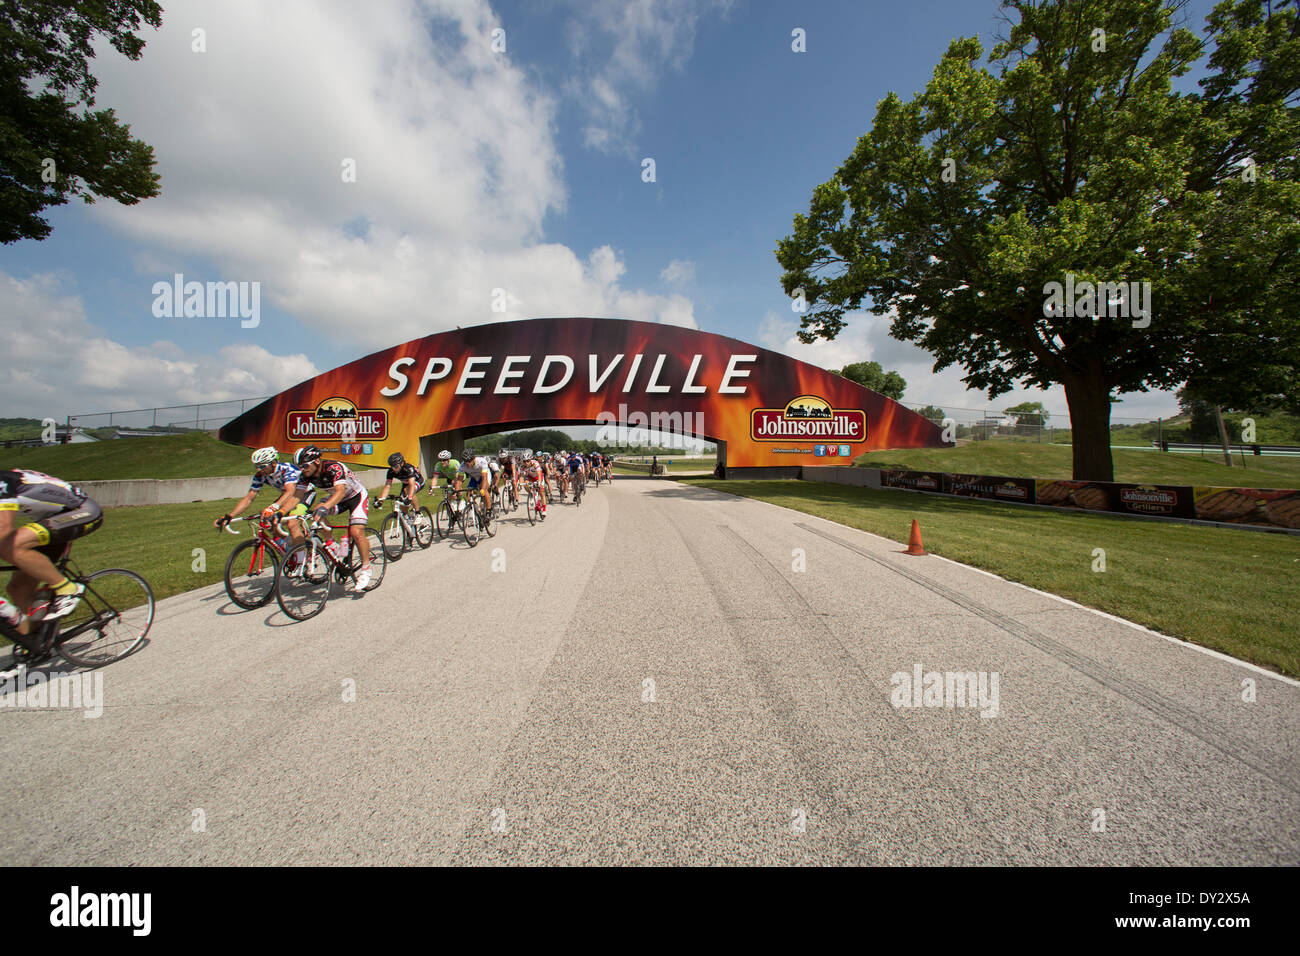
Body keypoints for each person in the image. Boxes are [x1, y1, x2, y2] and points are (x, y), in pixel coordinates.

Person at [0, 469, 103, 659]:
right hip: (53, 519)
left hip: (81, 511)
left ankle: (68, 588)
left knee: (9, 543)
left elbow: (3, 529)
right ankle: (35, 641)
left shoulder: (2, 482)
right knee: (18, 587)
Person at [294, 445, 374, 591]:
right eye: (299, 466)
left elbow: (340, 491)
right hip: (338, 499)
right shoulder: (305, 475)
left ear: (317, 461)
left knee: (356, 532)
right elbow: (297, 496)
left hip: (356, 496)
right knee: (316, 512)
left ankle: (366, 568)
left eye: (304, 465)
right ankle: (332, 543)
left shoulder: (333, 467)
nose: (302, 469)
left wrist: (326, 507)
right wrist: (283, 512)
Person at [215, 447, 314, 548]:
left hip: (304, 493)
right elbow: (249, 498)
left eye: (262, 466)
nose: (259, 469)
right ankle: (292, 549)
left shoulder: (288, 469)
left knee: (292, 524)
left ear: (274, 463)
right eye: (256, 466)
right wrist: (230, 516)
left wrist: (274, 507)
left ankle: (301, 559)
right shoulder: (260, 476)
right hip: (287, 495)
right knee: (268, 522)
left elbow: (290, 491)